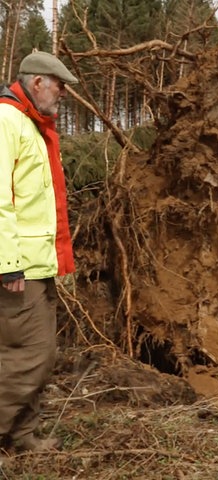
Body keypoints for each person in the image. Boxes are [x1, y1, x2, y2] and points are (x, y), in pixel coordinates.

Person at [0, 51, 78, 452]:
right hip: (17, 270)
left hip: (37, 265)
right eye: (59, 86)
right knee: (26, 357)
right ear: (36, 84)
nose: (62, 94)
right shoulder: (6, 121)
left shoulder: (33, 126)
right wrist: (8, 265)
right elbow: (0, 201)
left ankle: (21, 436)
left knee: (41, 355)